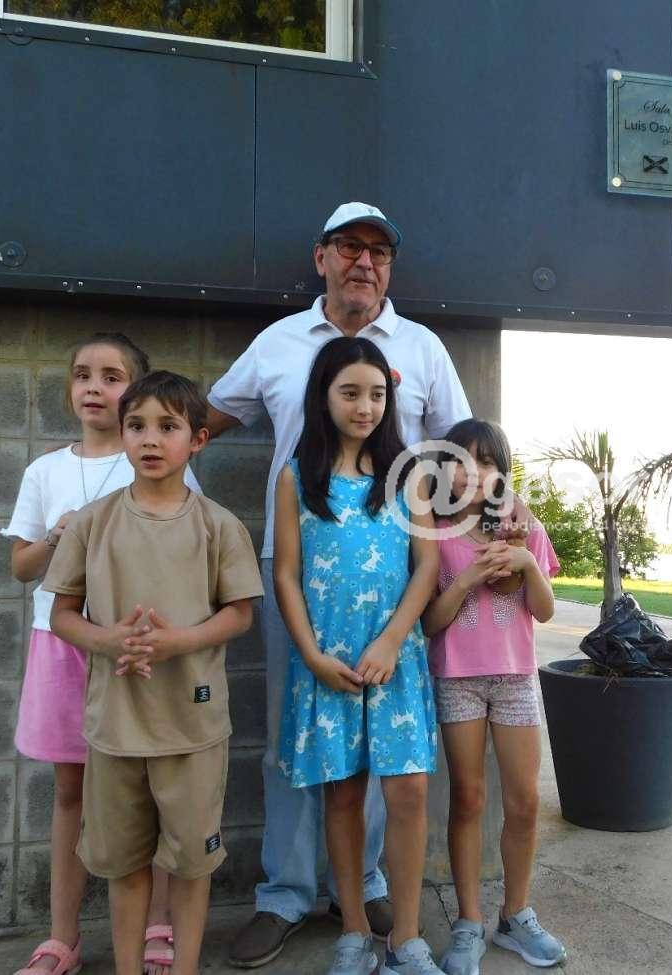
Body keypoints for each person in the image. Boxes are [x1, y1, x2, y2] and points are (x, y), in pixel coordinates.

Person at [207, 202, 471, 968]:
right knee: (299, 742)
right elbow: (206, 420)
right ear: (320, 256)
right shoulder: (278, 343)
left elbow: (463, 448)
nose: (364, 261)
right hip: (303, 582)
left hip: (392, 588)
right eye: (350, 246)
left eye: (379, 251)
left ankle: (367, 888)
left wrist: (490, 525)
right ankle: (286, 893)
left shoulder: (422, 348)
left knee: (383, 757)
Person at [44, 372, 264, 975]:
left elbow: (240, 614)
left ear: (197, 440)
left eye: (168, 427)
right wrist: (108, 639)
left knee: (191, 865)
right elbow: (62, 614)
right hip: (115, 728)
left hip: (193, 729)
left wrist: (178, 642)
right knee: (123, 865)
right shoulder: (92, 523)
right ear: (121, 434)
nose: (150, 439)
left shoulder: (219, 525)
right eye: (137, 426)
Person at [2, 334, 199, 975]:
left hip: (141, 649)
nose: (94, 387)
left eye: (112, 377)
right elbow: (22, 566)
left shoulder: (159, 460)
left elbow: (186, 548)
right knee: (71, 790)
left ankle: (158, 925)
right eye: (82, 374)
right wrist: (58, 536)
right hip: (62, 645)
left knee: (155, 789)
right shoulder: (45, 471)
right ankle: (63, 937)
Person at [273, 337, 442, 975]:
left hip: (395, 660)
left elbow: (427, 566)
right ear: (323, 397)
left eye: (376, 394)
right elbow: (286, 575)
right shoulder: (296, 478)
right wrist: (311, 656)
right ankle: (352, 929)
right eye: (349, 392)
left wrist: (393, 638)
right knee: (341, 796)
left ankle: (406, 937)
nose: (365, 406)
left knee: (408, 792)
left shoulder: (409, 476)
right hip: (330, 666)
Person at [421, 419, 567, 974]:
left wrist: (527, 564)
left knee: (524, 801)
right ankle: (468, 922)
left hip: (515, 679)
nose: (473, 473)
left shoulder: (522, 526)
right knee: (468, 799)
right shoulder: (433, 531)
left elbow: (545, 611)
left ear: (501, 472)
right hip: (458, 678)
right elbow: (430, 622)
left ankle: (515, 914)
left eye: (485, 462)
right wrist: (465, 580)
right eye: (460, 461)